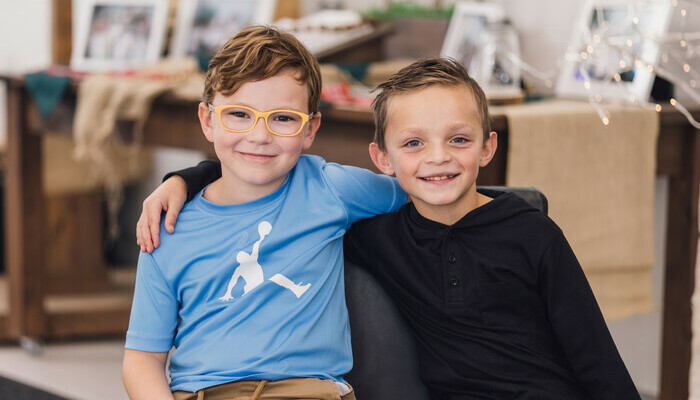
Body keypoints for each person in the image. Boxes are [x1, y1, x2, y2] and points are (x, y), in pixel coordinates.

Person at [137, 58, 640, 399]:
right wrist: (188, 179)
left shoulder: (533, 234)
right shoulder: (375, 234)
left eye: (458, 140)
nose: (438, 158)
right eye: (414, 144)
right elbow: (257, 185)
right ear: (383, 160)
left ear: (487, 148)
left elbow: (597, 358)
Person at [122, 26, 406, 400]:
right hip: (203, 393)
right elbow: (142, 359)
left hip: (307, 392)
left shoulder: (330, 188)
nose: (259, 136)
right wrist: (183, 181)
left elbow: (420, 188)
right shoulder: (167, 227)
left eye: (283, 119)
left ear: (310, 129)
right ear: (208, 121)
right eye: (239, 114)